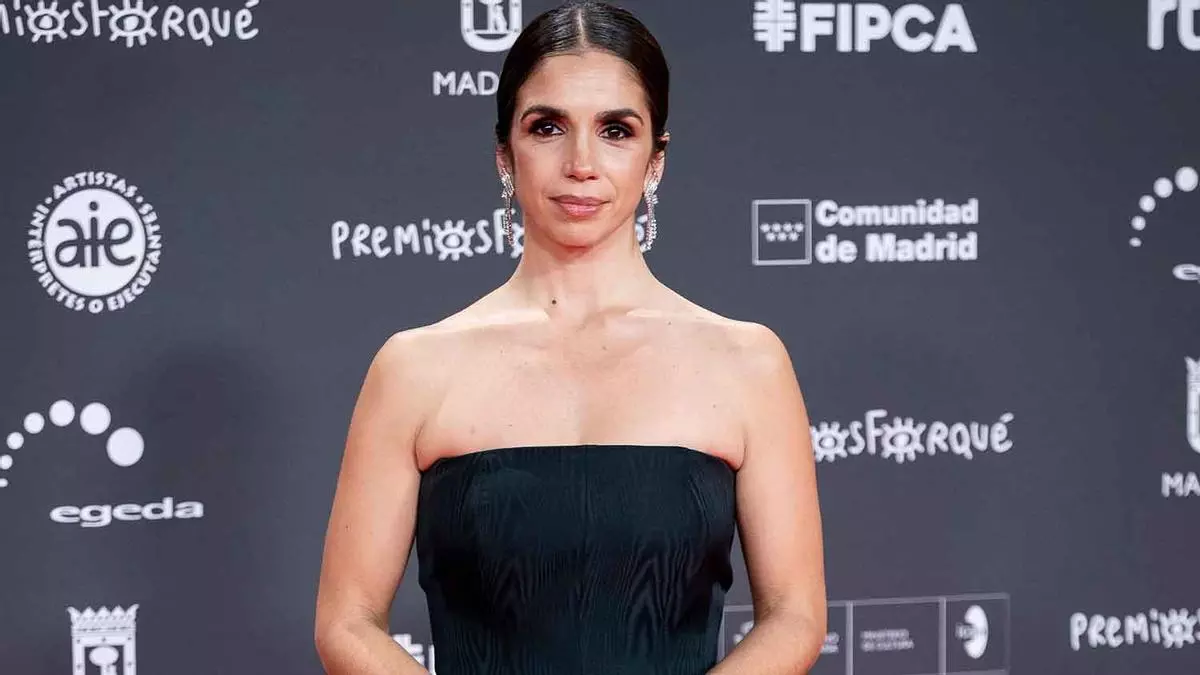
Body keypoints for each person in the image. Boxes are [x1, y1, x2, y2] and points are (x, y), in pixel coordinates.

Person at [314, 2, 827, 673]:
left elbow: (794, 615)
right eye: (548, 127)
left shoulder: (747, 363)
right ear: (505, 154)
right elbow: (347, 622)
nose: (582, 163)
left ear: (656, 159)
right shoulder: (414, 368)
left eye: (616, 130)